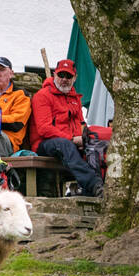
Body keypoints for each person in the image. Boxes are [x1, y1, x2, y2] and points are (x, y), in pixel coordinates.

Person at [31, 58, 102, 197]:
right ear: (54, 74)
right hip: (43, 144)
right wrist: (72, 139)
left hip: (66, 144)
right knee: (64, 144)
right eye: (61, 75)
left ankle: (91, 190)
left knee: (96, 144)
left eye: (68, 76)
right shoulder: (42, 96)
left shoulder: (74, 98)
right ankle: (95, 186)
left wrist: (83, 138)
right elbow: (44, 128)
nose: (64, 79)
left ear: (75, 78)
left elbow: (80, 124)